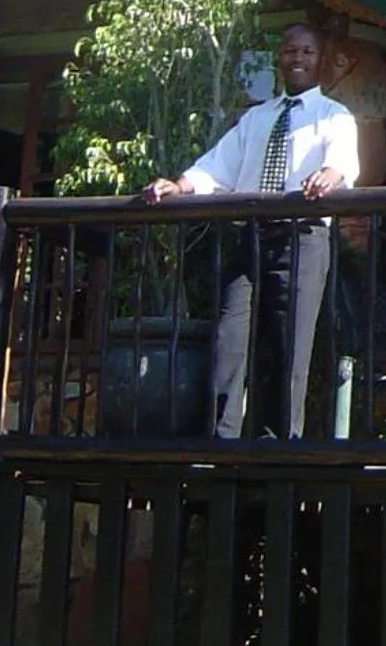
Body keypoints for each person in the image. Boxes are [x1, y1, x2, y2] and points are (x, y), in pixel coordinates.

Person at [142, 23, 357, 438]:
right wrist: (178, 185)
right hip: (251, 235)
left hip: (302, 236)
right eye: (290, 50)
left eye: (307, 52)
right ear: (280, 58)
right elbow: (216, 167)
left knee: (289, 344)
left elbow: (342, 162)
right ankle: (221, 439)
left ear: (321, 62)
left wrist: (330, 175)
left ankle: (279, 444)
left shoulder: (334, 116)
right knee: (229, 337)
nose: (297, 58)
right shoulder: (257, 118)